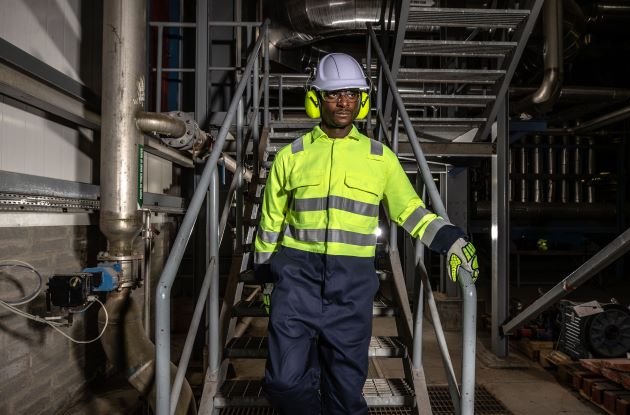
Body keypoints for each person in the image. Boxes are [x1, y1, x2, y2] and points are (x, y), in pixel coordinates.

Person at [254, 53, 479, 415]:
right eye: (333, 94)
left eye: (352, 94)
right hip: (296, 282)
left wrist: (450, 238)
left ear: (363, 101)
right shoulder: (290, 157)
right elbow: (269, 224)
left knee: (345, 396)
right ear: (316, 100)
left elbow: (410, 210)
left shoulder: (380, 158)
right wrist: (266, 281)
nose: (344, 102)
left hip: (351, 286)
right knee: (283, 384)